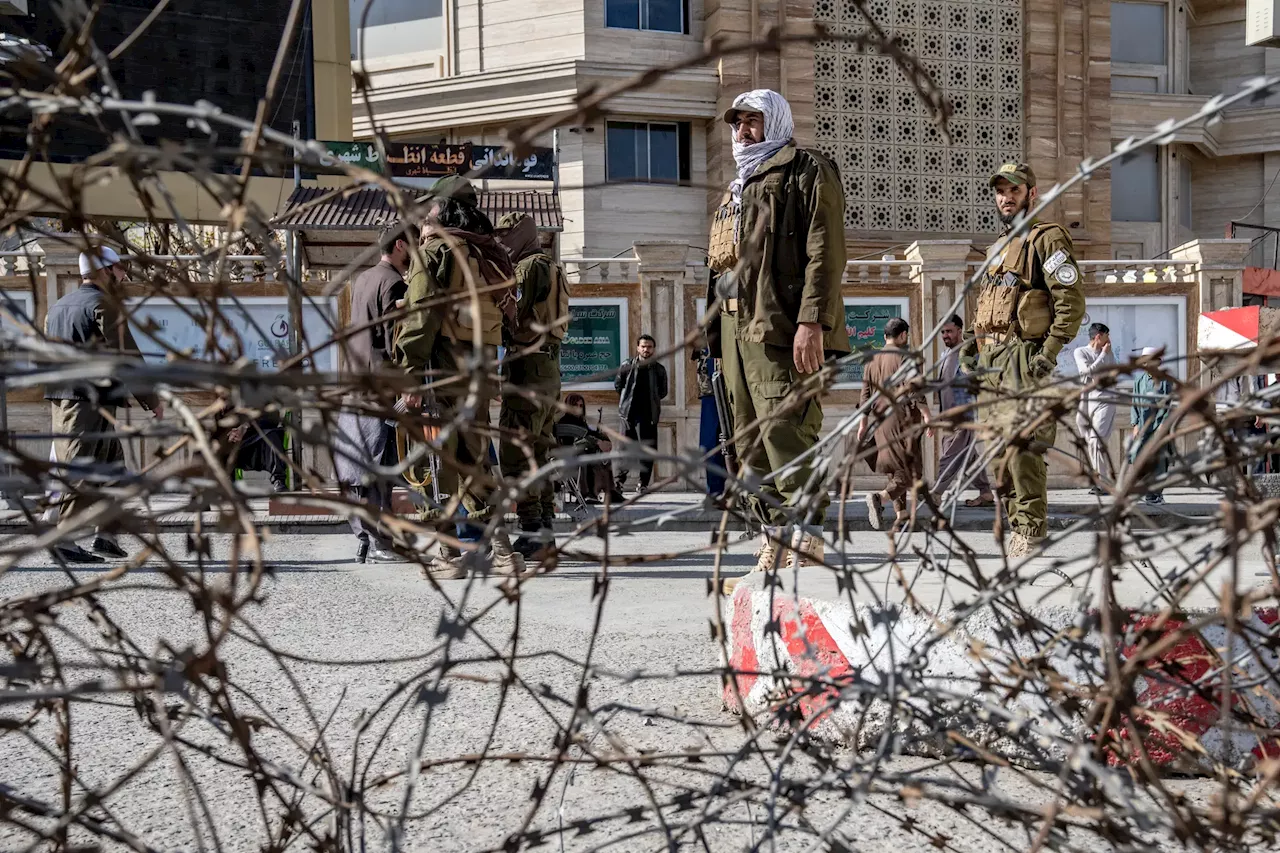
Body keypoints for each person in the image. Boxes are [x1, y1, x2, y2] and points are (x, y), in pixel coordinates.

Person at [705, 88, 850, 574]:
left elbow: (825, 254)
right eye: (738, 123)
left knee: (785, 429)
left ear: (776, 121)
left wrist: (812, 322)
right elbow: (720, 269)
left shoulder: (806, 170)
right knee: (748, 442)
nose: (744, 131)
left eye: (753, 120)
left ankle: (806, 539)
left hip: (782, 327)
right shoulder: (736, 188)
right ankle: (775, 538)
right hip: (733, 331)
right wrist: (714, 342)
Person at [397, 175, 526, 578]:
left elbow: (419, 321)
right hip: (480, 370)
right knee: (475, 462)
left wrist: (410, 379)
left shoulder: (435, 253)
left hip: (442, 371)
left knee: (431, 463)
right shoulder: (488, 255)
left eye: (429, 208)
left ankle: (446, 556)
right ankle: (505, 554)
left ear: (443, 209)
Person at [960, 162, 1087, 558]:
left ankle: (1031, 530)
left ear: (1031, 193)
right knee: (998, 453)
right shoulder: (998, 247)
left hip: (1023, 356)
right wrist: (970, 344)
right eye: (1000, 191)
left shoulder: (1047, 239)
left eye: (1014, 190)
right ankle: (1018, 526)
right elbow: (987, 303)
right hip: (992, 360)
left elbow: (1070, 302)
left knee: (1024, 448)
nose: (1005, 197)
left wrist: (1047, 354)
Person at [43, 246, 164, 563]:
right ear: (103, 270)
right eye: (119, 268)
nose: (123, 274)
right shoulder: (102, 304)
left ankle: (105, 536)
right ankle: (65, 541)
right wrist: (151, 400)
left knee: (114, 472)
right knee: (81, 469)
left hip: (72, 399)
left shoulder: (58, 307)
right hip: (86, 403)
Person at [334, 220, 417, 564]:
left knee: (357, 463)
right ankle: (378, 540)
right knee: (378, 466)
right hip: (380, 389)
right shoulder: (394, 283)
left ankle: (364, 537)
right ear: (399, 246)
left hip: (355, 385)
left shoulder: (362, 280)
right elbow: (394, 340)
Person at [495, 212, 569, 558]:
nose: (501, 242)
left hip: (527, 367)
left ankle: (532, 533)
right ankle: (544, 532)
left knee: (518, 452)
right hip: (546, 367)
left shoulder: (527, 268)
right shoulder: (550, 265)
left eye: (506, 236)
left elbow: (511, 314)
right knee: (539, 452)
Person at [857, 318, 932, 529]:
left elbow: (865, 395)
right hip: (902, 420)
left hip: (880, 421)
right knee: (911, 470)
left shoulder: (871, 360)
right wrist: (927, 415)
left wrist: (863, 423)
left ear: (884, 336)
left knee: (894, 469)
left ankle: (902, 517)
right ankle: (879, 499)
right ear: (902, 336)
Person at [932, 314, 995, 508]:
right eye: (943, 332)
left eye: (949, 331)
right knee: (968, 457)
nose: (945, 336)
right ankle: (985, 492)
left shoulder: (966, 355)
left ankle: (936, 492)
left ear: (960, 331)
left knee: (950, 456)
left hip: (965, 416)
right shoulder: (944, 355)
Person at [613, 334, 667, 495]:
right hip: (628, 415)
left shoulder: (658, 369)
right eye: (643, 346)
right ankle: (618, 484)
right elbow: (618, 385)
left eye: (649, 347)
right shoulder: (627, 365)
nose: (646, 349)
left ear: (653, 349)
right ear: (637, 348)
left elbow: (662, 392)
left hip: (648, 416)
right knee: (624, 451)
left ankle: (643, 484)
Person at [553, 393, 623, 503]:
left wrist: (603, 437)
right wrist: (598, 442)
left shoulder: (581, 422)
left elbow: (590, 434)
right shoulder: (564, 422)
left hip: (585, 455)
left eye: (581, 406)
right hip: (571, 459)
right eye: (575, 405)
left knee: (603, 457)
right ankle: (586, 493)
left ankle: (610, 491)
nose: (579, 408)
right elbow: (580, 439)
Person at [1073, 322, 1117, 494]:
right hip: (1086, 401)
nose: (1109, 340)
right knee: (1089, 442)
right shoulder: (1081, 352)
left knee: (1097, 441)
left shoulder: (1108, 354)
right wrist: (1102, 356)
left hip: (1105, 400)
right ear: (1099, 336)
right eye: (1107, 336)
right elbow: (1087, 373)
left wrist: (1106, 355)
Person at [1129, 346, 1174, 505]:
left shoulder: (1166, 380)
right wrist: (1134, 424)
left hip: (1159, 426)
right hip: (1142, 425)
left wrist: (1164, 425)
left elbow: (1169, 405)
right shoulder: (1139, 380)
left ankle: (1155, 493)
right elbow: (1134, 403)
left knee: (1159, 460)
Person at [694, 347, 727, 498]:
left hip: (732, 393)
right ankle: (715, 490)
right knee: (710, 445)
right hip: (710, 395)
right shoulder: (704, 342)